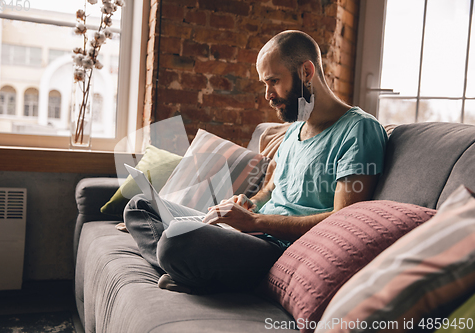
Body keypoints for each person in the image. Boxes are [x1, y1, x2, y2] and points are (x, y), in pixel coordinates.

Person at [124, 30, 388, 294]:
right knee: (140, 206)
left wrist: (255, 222)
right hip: (251, 232)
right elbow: (271, 190)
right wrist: (249, 203)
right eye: (265, 83)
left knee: (175, 242)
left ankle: (191, 267)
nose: (267, 95)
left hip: (278, 249)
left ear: (306, 72)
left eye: (273, 81)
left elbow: (343, 221)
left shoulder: (359, 129)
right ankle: (188, 271)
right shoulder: (293, 131)